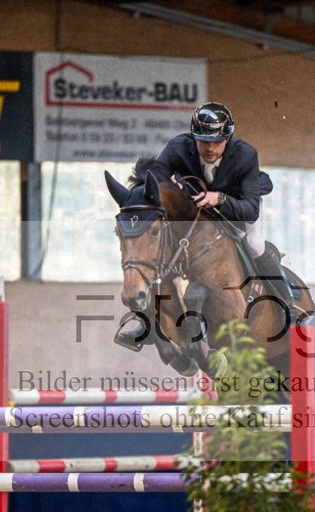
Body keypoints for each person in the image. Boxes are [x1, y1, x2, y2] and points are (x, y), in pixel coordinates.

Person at [114, 102, 294, 350]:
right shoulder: (178, 147)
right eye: (202, 140)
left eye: (217, 141)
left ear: (228, 137)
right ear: (193, 136)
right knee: (161, 252)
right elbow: (152, 185)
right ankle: (146, 322)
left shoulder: (245, 155)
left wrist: (219, 198)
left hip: (238, 205)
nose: (210, 148)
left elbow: (250, 209)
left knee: (254, 245)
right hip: (197, 210)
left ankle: (289, 304)